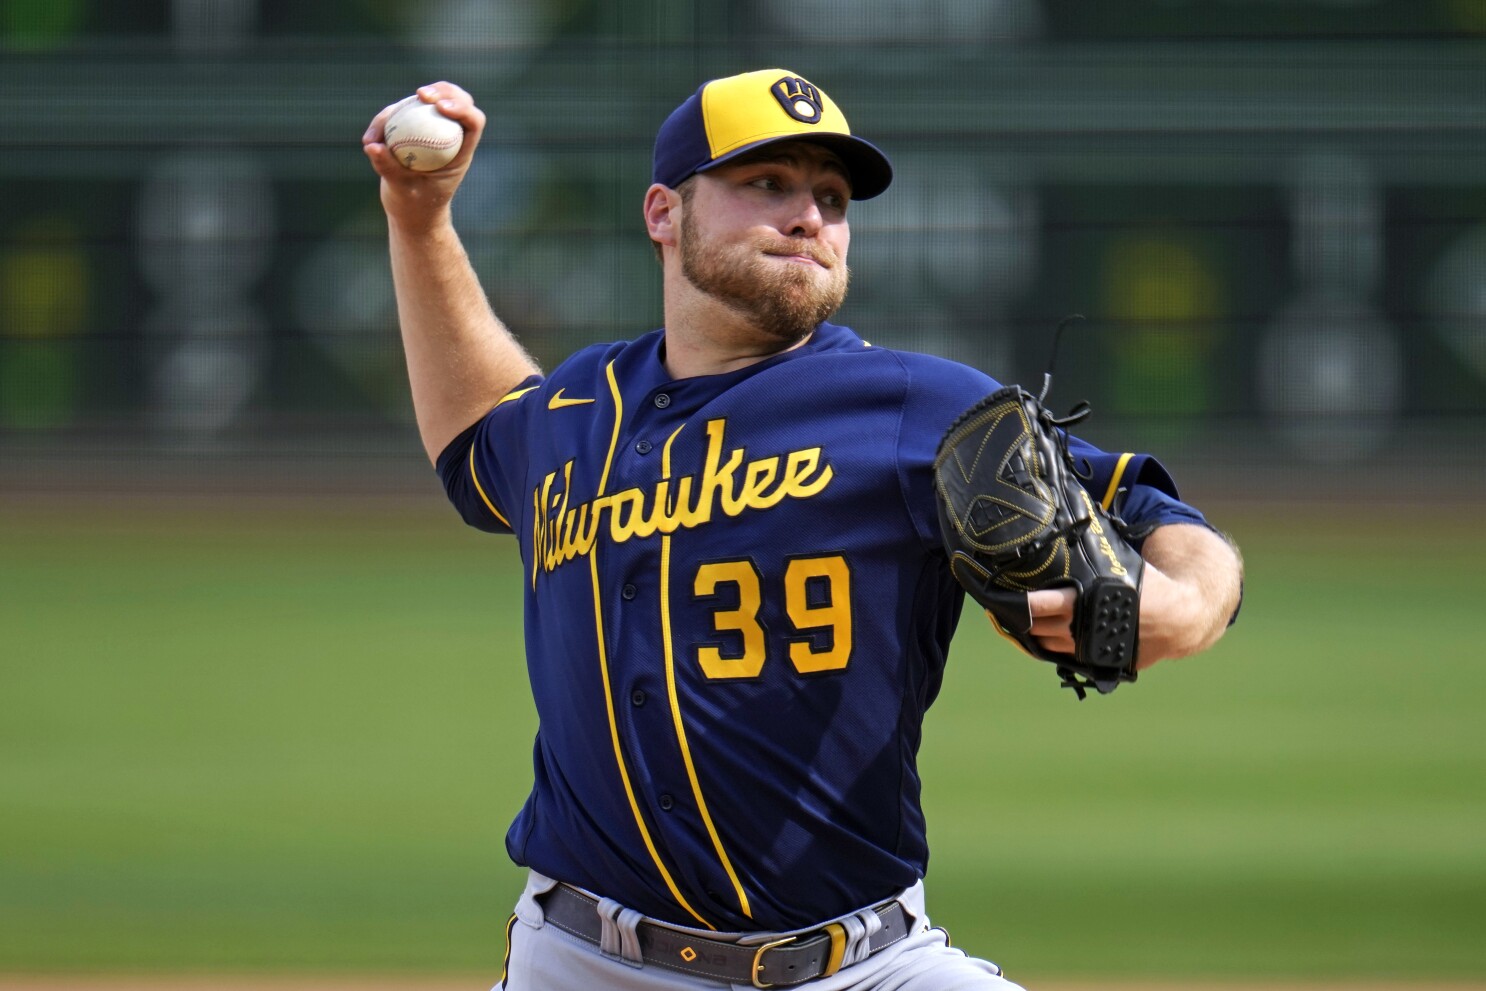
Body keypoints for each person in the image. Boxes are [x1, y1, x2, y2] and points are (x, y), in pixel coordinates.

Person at [362, 68, 1243, 991]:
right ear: (665, 213)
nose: (809, 217)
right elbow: (477, 433)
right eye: (767, 185)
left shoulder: (918, 405)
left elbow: (1153, 511)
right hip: (584, 963)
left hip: (862, 966)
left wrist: (1185, 603)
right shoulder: (580, 408)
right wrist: (419, 220)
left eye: (831, 196)